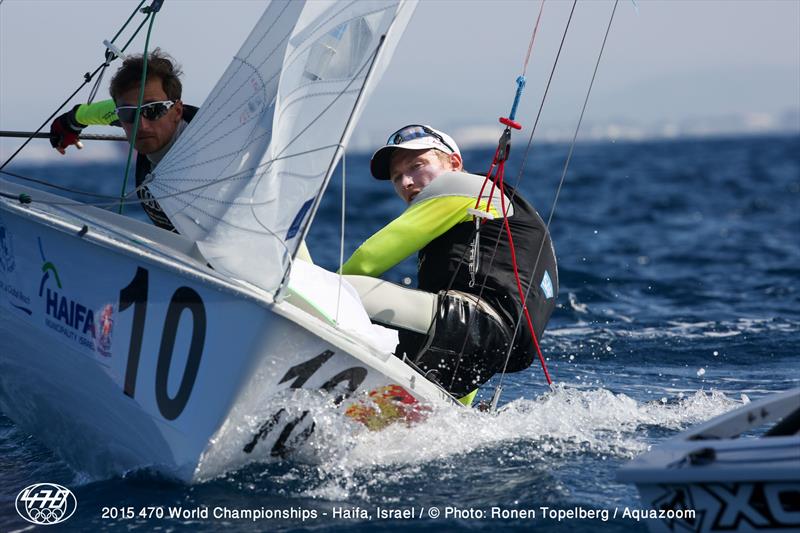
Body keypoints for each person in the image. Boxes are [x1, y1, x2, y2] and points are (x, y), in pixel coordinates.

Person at [341, 125, 558, 399]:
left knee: (338, 290)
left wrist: (312, 289)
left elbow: (368, 260)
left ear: (454, 163)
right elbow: (471, 340)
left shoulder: (461, 187)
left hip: (472, 324)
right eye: (396, 177)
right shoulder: (474, 224)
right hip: (500, 349)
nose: (406, 182)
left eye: (417, 165)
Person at [49, 49, 192, 232]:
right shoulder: (131, 115)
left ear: (177, 111)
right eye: (128, 113)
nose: (142, 125)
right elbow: (110, 110)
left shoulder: (212, 146)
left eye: (152, 111)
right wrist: (71, 121)